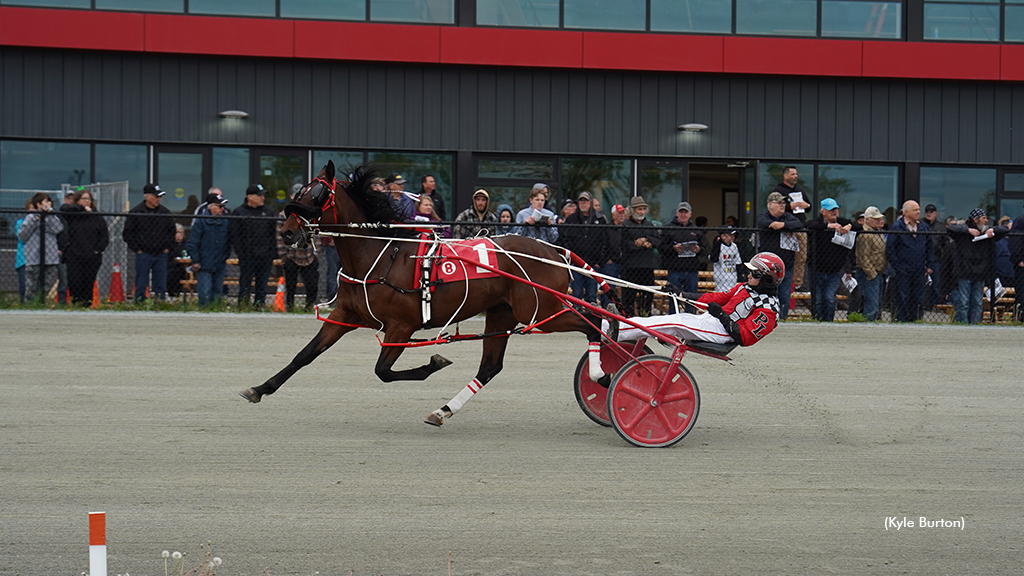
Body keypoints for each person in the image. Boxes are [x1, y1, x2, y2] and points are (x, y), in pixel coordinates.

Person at [606, 252, 783, 347]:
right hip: (712, 321)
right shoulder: (745, 286)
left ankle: (617, 332)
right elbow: (715, 298)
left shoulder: (769, 310)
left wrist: (720, 314)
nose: (749, 275)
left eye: (755, 273)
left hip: (723, 334)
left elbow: (744, 338)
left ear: (768, 279)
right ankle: (611, 326)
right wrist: (681, 294)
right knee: (668, 320)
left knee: (677, 324)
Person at [947, 208, 1009, 324]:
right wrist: (968, 230)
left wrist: (993, 229)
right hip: (965, 272)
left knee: (978, 303)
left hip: (981, 273)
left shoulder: (987, 234)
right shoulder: (963, 234)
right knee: (964, 303)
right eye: (984, 218)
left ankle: (974, 325)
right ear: (975, 220)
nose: (986, 221)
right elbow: (951, 228)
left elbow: (1005, 229)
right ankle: (963, 325)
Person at [122, 183, 176, 301]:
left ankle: (160, 302)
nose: (159, 199)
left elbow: (172, 231)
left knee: (160, 281)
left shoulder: (164, 213)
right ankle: (140, 303)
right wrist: (137, 249)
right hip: (144, 253)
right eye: (156, 196)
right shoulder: (136, 212)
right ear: (147, 196)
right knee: (141, 281)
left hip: (160, 253)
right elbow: (128, 233)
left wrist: (167, 248)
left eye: (159, 197)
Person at [886, 200, 936, 322]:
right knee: (903, 296)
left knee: (918, 296)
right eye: (915, 210)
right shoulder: (897, 227)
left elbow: (930, 247)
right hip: (903, 269)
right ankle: (902, 320)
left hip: (919, 269)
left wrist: (930, 264)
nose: (918, 212)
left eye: (919, 209)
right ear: (906, 212)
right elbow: (890, 249)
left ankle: (916, 320)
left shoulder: (923, 227)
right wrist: (898, 266)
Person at [804, 198, 853, 321]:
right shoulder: (817, 223)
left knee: (830, 298)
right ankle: (818, 320)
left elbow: (857, 225)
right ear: (823, 211)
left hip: (834, 271)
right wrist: (828, 226)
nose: (834, 212)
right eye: (831, 210)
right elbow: (808, 225)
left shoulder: (842, 222)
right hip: (816, 269)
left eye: (836, 209)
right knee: (818, 299)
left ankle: (829, 322)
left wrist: (849, 226)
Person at [59, 190, 109, 306]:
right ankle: (76, 303)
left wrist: (97, 250)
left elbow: (104, 236)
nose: (87, 201)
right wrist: (81, 209)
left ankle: (86, 304)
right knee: (74, 281)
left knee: (88, 283)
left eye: (89, 199)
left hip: (92, 257)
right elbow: (63, 208)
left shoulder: (97, 217)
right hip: (74, 255)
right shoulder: (73, 215)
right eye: (84, 199)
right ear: (77, 201)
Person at [756, 191, 802, 319]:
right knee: (766, 295)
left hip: (785, 266)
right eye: (779, 203)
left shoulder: (787, 217)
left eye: (784, 203)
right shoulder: (763, 216)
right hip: (767, 268)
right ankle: (766, 319)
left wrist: (783, 225)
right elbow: (763, 223)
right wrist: (776, 226)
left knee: (784, 296)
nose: (783, 205)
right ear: (770, 204)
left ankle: (782, 318)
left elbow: (798, 224)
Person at [231, 183, 277, 308]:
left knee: (262, 284)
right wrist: (241, 254)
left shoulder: (268, 212)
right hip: (247, 256)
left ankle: (259, 305)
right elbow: (235, 236)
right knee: (245, 282)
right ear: (250, 197)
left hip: (265, 256)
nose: (263, 198)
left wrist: (271, 253)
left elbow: (272, 234)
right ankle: (243, 305)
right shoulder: (239, 212)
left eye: (263, 195)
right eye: (260, 195)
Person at [559, 191, 608, 304]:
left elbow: (605, 241)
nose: (583, 203)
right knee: (577, 294)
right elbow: (565, 239)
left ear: (590, 202)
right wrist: (570, 260)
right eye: (581, 201)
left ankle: (591, 318)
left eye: (585, 201)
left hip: (593, 264)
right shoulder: (571, 219)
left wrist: (599, 262)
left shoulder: (600, 219)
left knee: (591, 295)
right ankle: (578, 319)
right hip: (576, 263)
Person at [18, 193, 65, 302]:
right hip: (33, 257)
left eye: (49, 202)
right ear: (38, 204)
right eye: (46, 202)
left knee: (47, 284)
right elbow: (22, 235)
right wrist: (35, 219)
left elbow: (58, 229)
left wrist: (51, 215)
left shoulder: (52, 217)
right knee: (31, 286)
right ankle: (30, 305)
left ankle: (42, 302)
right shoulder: (30, 217)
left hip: (50, 257)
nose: (49, 204)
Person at [186, 192, 231, 307]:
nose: (222, 209)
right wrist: (196, 260)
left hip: (219, 262)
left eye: (223, 206)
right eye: (219, 206)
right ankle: (204, 310)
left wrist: (224, 256)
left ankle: (215, 309)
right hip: (204, 263)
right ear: (210, 206)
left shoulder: (225, 222)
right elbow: (193, 242)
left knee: (217, 290)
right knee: (204, 291)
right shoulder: (201, 221)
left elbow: (228, 242)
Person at [660, 201, 705, 309]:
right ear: (677, 213)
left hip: (692, 270)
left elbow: (705, 249)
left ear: (690, 214)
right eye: (681, 212)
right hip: (675, 269)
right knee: (673, 298)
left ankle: (690, 319)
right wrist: (673, 248)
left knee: (691, 299)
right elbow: (661, 247)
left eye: (686, 212)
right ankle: (674, 319)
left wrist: (697, 249)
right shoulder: (668, 228)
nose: (683, 214)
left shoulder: (696, 230)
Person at [619, 196, 659, 317]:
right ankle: (628, 319)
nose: (641, 212)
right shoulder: (625, 225)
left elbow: (658, 241)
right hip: (630, 267)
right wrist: (638, 244)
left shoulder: (649, 225)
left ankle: (645, 316)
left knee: (647, 295)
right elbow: (623, 244)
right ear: (633, 210)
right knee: (628, 296)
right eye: (639, 209)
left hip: (647, 267)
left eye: (643, 209)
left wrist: (647, 240)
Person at [774, 166, 811, 290]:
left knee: (801, 256)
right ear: (785, 176)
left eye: (796, 174)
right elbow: (776, 207)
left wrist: (805, 205)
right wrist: (790, 206)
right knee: (787, 256)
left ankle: (798, 283)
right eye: (793, 174)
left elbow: (809, 206)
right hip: (787, 229)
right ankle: (782, 277)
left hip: (800, 228)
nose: (796, 176)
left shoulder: (800, 190)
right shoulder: (779, 190)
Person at [277, 217, 320, 312]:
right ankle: (290, 308)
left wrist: (316, 252)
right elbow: (279, 236)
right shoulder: (284, 215)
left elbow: (316, 233)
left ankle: (308, 308)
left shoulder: (309, 215)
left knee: (312, 285)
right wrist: (284, 256)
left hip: (309, 257)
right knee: (290, 286)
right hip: (291, 256)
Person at [854, 206, 887, 321]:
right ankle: (868, 326)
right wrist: (872, 274)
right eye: (876, 219)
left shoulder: (878, 232)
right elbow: (863, 257)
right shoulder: (865, 234)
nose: (880, 221)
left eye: (881, 219)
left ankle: (872, 324)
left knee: (876, 304)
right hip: (868, 274)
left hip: (879, 273)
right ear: (867, 220)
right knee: (871, 304)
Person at [598, 203, 626, 308]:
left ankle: (625, 309)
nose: (621, 215)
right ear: (613, 215)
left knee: (626, 288)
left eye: (623, 213)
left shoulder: (626, 228)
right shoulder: (607, 228)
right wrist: (606, 259)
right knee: (609, 287)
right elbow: (602, 244)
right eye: (619, 213)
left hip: (624, 262)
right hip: (611, 262)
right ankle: (607, 308)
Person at [922, 204, 947, 308]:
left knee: (936, 284)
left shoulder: (941, 227)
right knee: (921, 283)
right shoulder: (921, 225)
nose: (929, 214)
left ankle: (934, 305)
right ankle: (922, 304)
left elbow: (945, 244)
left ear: (935, 213)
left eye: (931, 212)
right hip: (922, 259)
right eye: (927, 212)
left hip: (936, 259)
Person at [708, 228, 741, 292]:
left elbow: (738, 262)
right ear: (723, 236)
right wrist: (717, 244)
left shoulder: (734, 246)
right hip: (721, 278)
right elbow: (714, 259)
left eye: (733, 235)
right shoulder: (719, 246)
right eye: (730, 235)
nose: (732, 237)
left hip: (733, 276)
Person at [14, 199, 32, 301]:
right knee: (24, 285)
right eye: (31, 208)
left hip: (37, 257)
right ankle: (23, 304)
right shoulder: (20, 222)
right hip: (23, 259)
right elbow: (22, 238)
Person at [167, 223, 189, 299]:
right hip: (172, 265)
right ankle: (172, 294)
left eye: (181, 232)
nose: (179, 235)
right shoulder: (169, 243)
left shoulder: (187, 243)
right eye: (177, 232)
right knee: (172, 272)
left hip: (185, 266)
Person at [1010, 210, 1024, 323]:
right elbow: (1015, 240)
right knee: (1022, 293)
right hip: (1022, 265)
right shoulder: (1020, 220)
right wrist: (1018, 259)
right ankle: (1020, 317)